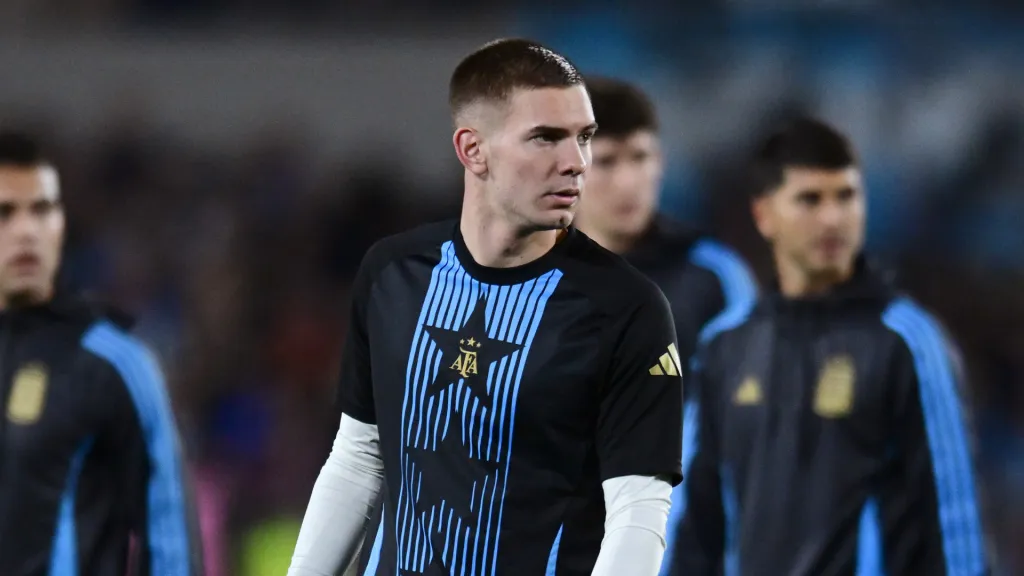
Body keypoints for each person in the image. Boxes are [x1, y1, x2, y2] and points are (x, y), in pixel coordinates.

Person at [287, 39, 683, 576]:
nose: (576, 163)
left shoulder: (626, 307)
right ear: (473, 150)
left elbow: (639, 506)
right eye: (545, 138)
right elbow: (359, 458)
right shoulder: (392, 273)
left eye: (584, 137)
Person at [673, 117, 990, 575]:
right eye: (810, 200)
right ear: (764, 215)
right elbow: (695, 523)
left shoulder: (906, 340)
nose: (832, 218)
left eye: (846, 197)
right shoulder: (726, 346)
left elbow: (953, 523)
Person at [0, 131, 203, 575]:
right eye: (5, 213)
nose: (26, 232)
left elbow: (168, 532)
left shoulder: (115, 363)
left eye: (42, 211)